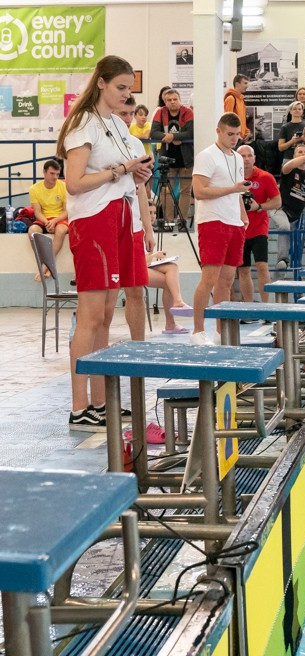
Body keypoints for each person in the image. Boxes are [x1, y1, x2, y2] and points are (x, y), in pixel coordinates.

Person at [57, 55, 154, 430]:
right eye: (121, 87)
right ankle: (79, 406)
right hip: (93, 221)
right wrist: (120, 170)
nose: (127, 95)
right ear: (101, 83)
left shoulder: (116, 124)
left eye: (130, 89)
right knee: (91, 314)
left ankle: (99, 402)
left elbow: (129, 173)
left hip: (120, 217)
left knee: (107, 315)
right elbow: (76, 182)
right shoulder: (83, 124)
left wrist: (137, 172)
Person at [190, 113, 249, 344]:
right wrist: (232, 190)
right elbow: (199, 192)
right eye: (230, 134)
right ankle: (197, 331)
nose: (234, 139)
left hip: (234, 223)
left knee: (226, 281)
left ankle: (219, 331)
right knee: (209, 279)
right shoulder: (206, 156)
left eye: (237, 135)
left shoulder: (236, 158)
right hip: (213, 221)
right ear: (219, 130)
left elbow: (239, 190)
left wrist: (243, 215)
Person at [115, 96, 158, 342]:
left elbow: (141, 189)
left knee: (136, 291)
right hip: (108, 224)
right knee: (108, 294)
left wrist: (148, 229)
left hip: (132, 227)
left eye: (131, 113)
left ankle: (138, 345)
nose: (128, 118)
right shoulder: (101, 141)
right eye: (123, 113)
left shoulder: (135, 144)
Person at [237, 144, 281, 304]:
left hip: (259, 229)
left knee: (262, 266)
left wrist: (259, 206)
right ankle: (249, 307)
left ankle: (265, 305)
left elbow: (277, 201)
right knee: (243, 269)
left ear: (255, 158)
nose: (246, 159)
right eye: (242, 156)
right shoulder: (232, 178)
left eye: (249, 156)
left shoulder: (265, 177)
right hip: (239, 230)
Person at [150, 88, 194, 225]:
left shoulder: (188, 112)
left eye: (175, 99)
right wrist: (169, 138)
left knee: (185, 191)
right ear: (165, 102)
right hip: (166, 158)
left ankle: (182, 222)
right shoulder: (160, 112)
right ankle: (169, 222)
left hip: (186, 158)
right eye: (169, 100)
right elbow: (154, 133)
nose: (173, 102)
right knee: (166, 192)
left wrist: (173, 136)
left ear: (180, 100)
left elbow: (191, 133)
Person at [27, 159, 70, 272]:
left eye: (57, 174)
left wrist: (55, 221)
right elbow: (37, 212)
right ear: (44, 172)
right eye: (52, 173)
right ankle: (43, 262)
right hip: (44, 219)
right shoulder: (34, 189)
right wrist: (47, 222)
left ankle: (46, 266)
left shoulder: (64, 187)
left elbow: (66, 211)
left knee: (60, 231)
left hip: (60, 218)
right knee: (32, 231)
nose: (55, 177)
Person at [223, 74, 250, 142]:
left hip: (241, 138)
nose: (247, 86)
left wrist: (247, 131)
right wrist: (235, 135)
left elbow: (242, 120)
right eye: (245, 83)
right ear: (237, 84)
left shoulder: (241, 100)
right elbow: (227, 121)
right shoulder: (231, 99)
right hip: (234, 139)